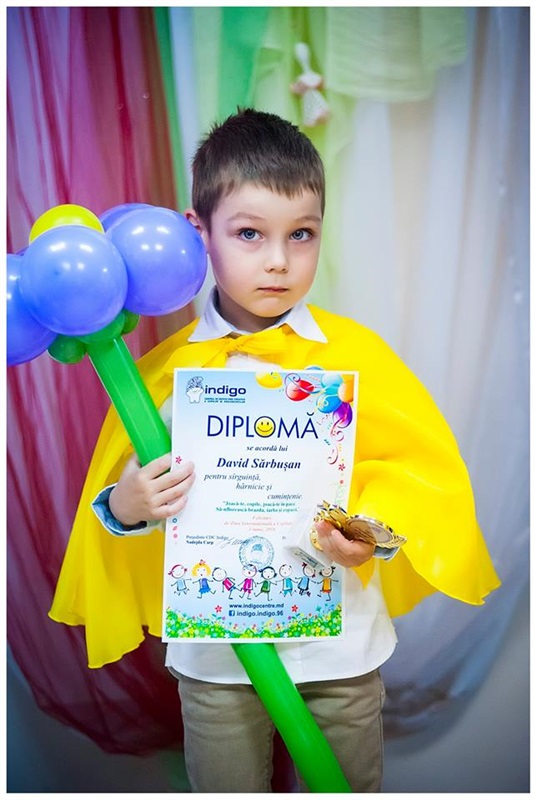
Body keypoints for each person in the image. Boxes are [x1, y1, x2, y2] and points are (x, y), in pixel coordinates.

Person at [49, 109, 500, 792]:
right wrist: (128, 503)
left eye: (302, 234)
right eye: (249, 233)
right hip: (217, 660)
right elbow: (121, 500)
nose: (279, 261)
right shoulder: (166, 374)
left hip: (341, 653)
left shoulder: (356, 358)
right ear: (199, 232)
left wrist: (368, 535)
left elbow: (409, 474)